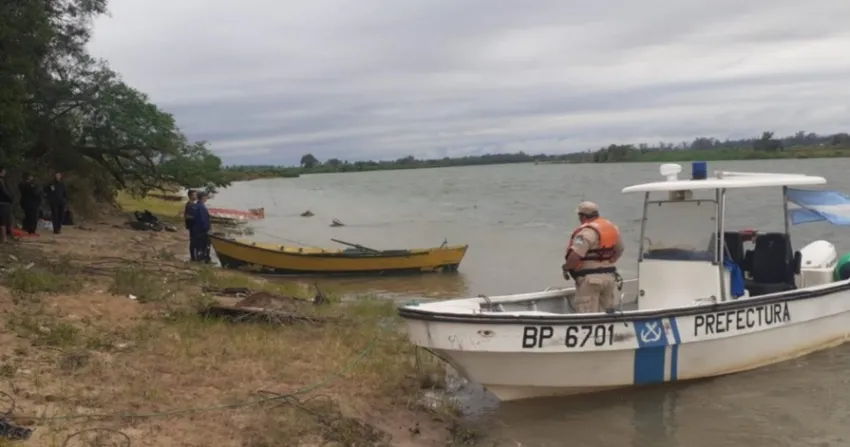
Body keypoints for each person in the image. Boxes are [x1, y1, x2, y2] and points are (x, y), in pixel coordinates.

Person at [561, 201, 625, 313]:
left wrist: (566, 268)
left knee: (587, 315)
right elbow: (620, 249)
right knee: (607, 314)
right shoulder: (612, 229)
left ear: (582, 216)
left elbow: (575, 256)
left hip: (590, 281)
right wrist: (608, 261)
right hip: (609, 278)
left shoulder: (586, 233)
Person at [192, 191, 212, 263]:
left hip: (196, 229)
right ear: (203, 197)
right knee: (203, 246)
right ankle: (202, 259)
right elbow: (204, 220)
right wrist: (207, 229)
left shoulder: (196, 205)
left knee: (198, 246)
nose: (207, 198)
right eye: (206, 197)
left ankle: (198, 258)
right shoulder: (201, 207)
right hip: (202, 231)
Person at [184, 190, 198, 261]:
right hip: (192, 226)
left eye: (196, 195)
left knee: (194, 241)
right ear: (190, 196)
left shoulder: (194, 205)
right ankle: (193, 257)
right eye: (194, 195)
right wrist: (196, 217)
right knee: (193, 241)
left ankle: (194, 256)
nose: (196, 196)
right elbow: (187, 216)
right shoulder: (189, 205)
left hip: (194, 226)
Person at [0, 166, 12, 243]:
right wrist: (10, 198)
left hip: (4, 202)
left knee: (4, 222)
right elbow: (5, 192)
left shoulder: (3, 180)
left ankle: (4, 238)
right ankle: (4, 239)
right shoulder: (1, 181)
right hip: (2, 203)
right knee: (3, 222)